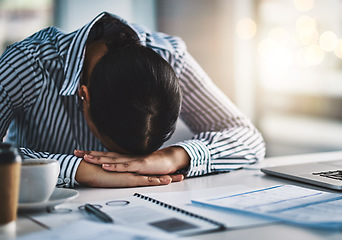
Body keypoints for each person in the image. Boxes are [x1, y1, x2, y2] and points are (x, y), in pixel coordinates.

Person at [0, 12, 265, 188]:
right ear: (84, 96)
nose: (122, 164)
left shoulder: (169, 58)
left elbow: (247, 137)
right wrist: (78, 170)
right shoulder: (27, 64)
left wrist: (174, 156)